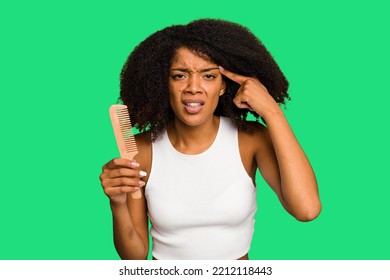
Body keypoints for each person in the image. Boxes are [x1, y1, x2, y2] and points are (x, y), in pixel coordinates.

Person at [99, 18, 321, 260]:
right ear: (163, 84)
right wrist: (118, 204)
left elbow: (307, 209)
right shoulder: (140, 150)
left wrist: (272, 112)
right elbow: (135, 258)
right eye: (179, 76)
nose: (193, 87)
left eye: (208, 76)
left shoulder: (251, 139)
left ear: (224, 85)